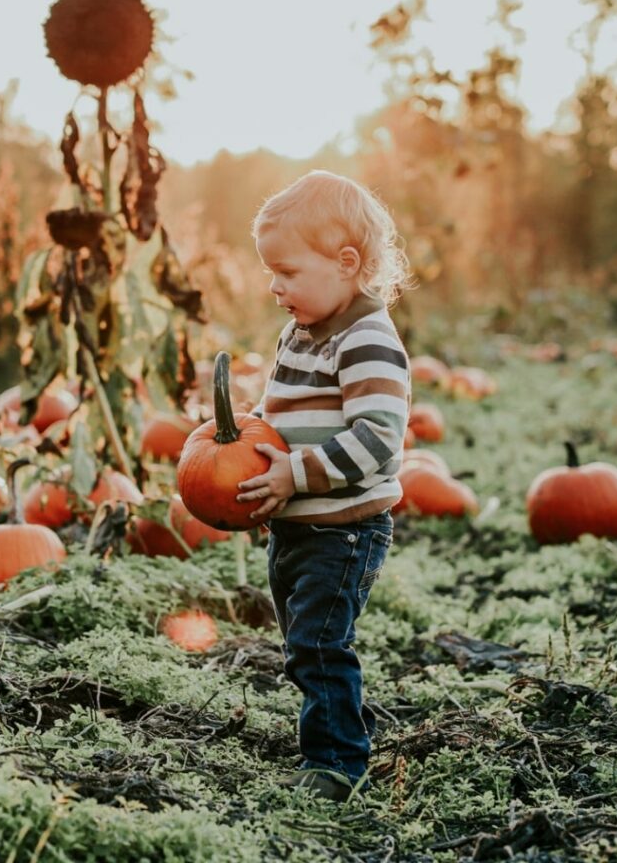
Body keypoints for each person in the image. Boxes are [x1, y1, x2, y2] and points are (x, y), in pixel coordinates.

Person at [236, 169, 412, 801]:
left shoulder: (368, 340)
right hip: (296, 524)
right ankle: (338, 731)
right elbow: (277, 420)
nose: (274, 287)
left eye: (286, 272)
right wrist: (253, 467)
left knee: (317, 642)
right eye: (270, 272)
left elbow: (377, 440)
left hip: (344, 530)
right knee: (300, 644)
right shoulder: (297, 334)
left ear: (344, 263)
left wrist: (294, 475)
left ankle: (338, 761)